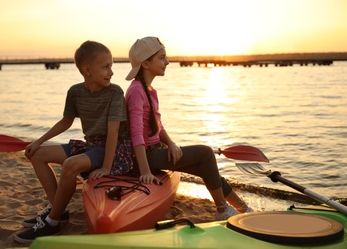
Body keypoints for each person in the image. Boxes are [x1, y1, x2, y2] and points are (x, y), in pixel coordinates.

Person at [14, 41, 133, 243]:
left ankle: (51, 223)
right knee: (38, 154)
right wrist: (38, 141)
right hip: (91, 146)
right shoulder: (75, 92)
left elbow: (113, 131)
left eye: (111, 66)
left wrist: (105, 167)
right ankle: (58, 210)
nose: (111, 72)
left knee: (70, 165)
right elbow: (66, 122)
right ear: (87, 70)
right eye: (106, 66)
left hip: (113, 150)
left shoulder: (115, 92)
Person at [125, 37, 253, 221]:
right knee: (206, 153)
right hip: (145, 156)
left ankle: (243, 209)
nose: (167, 62)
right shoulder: (136, 90)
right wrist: (145, 171)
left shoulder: (149, 90)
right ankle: (222, 209)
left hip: (155, 151)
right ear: (146, 63)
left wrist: (171, 144)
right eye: (162, 58)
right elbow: (136, 133)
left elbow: (156, 127)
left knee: (207, 168)